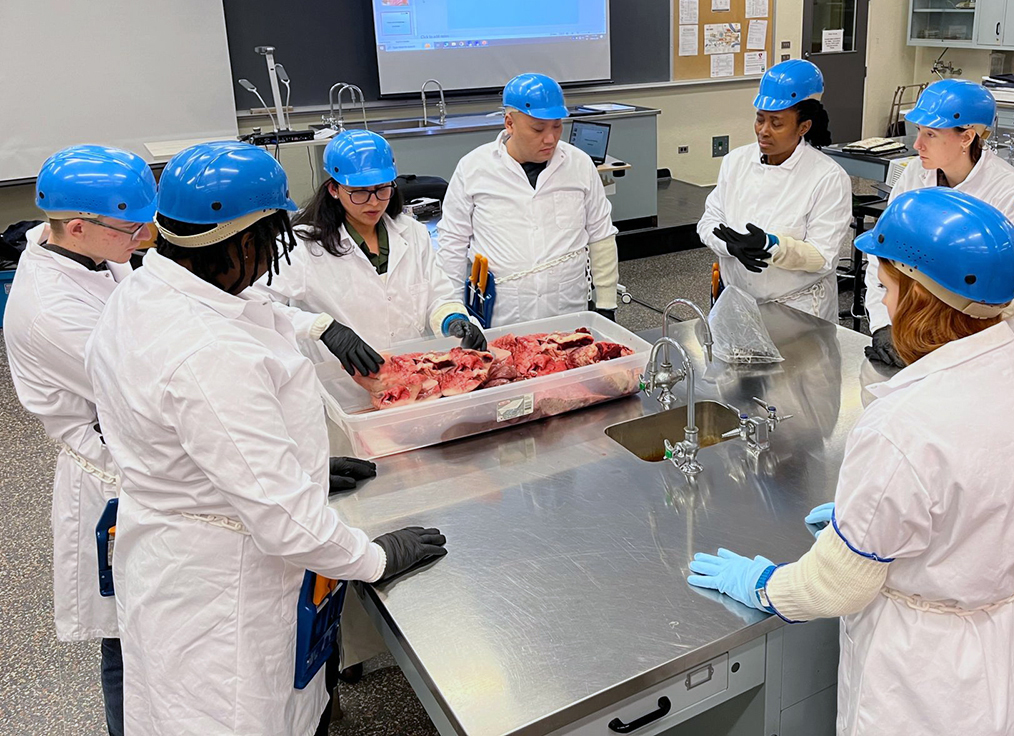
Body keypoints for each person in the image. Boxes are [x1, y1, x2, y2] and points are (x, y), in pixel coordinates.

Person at [687, 189, 1014, 736]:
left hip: (929, 675)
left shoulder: (903, 421)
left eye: (885, 284)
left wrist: (761, 584)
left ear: (917, 294)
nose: (883, 297)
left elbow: (837, 587)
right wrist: (922, 525)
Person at [84, 141, 447, 736]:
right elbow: (284, 521)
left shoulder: (148, 290)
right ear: (246, 240)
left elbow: (262, 317)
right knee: (237, 717)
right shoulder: (208, 354)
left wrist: (303, 462)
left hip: (178, 546)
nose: (273, 262)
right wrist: (376, 558)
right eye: (273, 242)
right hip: (223, 587)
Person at [5, 145, 158, 736]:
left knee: (158, 625)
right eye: (130, 226)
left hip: (139, 454)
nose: (145, 235)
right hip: (110, 475)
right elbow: (146, 385)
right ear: (77, 227)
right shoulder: (49, 310)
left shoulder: (96, 258)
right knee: (126, 643)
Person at [255, 129, 485, 364]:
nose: (374, 202)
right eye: (360, 193)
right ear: (334, 189)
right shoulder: (302, 244)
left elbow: (437, 295)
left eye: (382, 189)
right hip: (342, 386)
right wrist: (321, 328)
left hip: (410, 376)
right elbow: (256, 305)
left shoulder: (412, 232)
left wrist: (451, 318)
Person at [864, 78, 1014, 368]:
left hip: (975, 349)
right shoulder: (914, 175)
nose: (917, 144)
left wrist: (935, 343)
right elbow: (881, 256)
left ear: (967, 137)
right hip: (907, 335)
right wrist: (884, 325)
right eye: (918, 131)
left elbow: (1005, 296)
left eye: (930, 134)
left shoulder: (1012, 193)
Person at [438, 73, 619, 327]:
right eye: (538, 128)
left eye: (557, 125)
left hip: (568, 311)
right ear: (509, 123)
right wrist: (452, 310)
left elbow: (601, 235)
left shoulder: (579, 164)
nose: (550, 138)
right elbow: (452, 244)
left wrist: (606, 304)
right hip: (501, 317)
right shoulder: (473, 168)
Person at [697, 59, 851, 322]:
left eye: (776, 123)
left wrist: (772, 246)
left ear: (804, 126)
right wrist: (729, 245)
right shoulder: (736, 161)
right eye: (760, 120)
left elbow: (822, 256)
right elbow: (709, 221)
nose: (763, 131)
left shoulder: (828, 177)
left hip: (798, 310)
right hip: (736, 302)